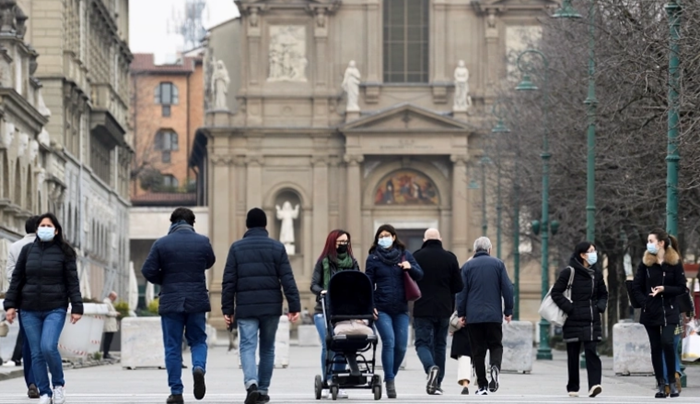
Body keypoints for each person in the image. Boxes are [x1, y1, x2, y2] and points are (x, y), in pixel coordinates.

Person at [222, 208, 301, 404]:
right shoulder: (277, 247)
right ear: (266, 225)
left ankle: (252, 384)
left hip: (246, 307)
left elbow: (228, 281)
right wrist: (294, 305)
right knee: (267, 348)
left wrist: (227, 310)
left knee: (247, 346)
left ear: (247, 225)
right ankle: (263, 389)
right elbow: (287, 278)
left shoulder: (236, 248)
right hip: (271, 307)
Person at [3, 213, 83, 404]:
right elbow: (17, 280)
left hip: (55, 308)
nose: (44, 229)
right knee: (36, 352)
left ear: (56, 230)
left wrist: (77, 306)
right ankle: (44, 392)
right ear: (37, 229)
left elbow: (72, 281)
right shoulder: (27, 251)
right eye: (42, 225)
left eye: (49, 226)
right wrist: (10, 305)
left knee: (48, 346)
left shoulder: (66, 253)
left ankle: (58, 385)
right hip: (29, 309)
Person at [141, 207, 215, 404]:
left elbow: (147, 270)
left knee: (172, 347)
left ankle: (176, 392)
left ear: (172, 221)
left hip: (171, 301)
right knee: (198, 340)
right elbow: (210, 262)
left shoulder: (161, 243)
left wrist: (164, 278)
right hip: (196, 300)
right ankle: (198, 367)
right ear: (192, 223)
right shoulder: (203, 241)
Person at [365, 224, 423, 399]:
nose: (384, 238)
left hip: (401, 309)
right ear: (377, 239)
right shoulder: (373, 258)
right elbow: (367, 283)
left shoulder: (406, 255)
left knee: (401, 346)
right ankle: (390, 381)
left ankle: (392, 375)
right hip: (381, 308)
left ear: (394, 237)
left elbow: (420, 275)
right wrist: (370, 305)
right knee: (389, 342)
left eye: (387, 235)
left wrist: (409, 267)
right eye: (380, 236)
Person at [631, 228, 686, 398]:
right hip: (651, 311)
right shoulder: (646, 264)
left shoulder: (675, 263)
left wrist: (664, 289)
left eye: (651, 241)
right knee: (655, 347)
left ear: (661, 243)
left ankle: (672, 382)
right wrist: (645, 302)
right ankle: (661, 384)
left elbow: (681, 287)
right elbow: (636, 286)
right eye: (648, 241)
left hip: (670, 310)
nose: (648, 244)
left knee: (667, 342)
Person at [456, 236, 513, 396]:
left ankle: (482, 386)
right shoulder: (498, 264)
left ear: (474, 251)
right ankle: (495, 367)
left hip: (473, 317)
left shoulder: (467, 267)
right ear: (489, 250)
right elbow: (508, 288)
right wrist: (508, 311)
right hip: (494, 315)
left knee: (477, 351)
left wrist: (461, 313)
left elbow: (461, 292)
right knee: (496, 345)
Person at [551, 242, 608, 398]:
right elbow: (556, 293)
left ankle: (595, 384)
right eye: (591, 251)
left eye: (594, 250)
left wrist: (600, 307)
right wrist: (570, 308)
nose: (594, 253)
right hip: (573, 320)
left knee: (592, 352)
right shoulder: (569, 272)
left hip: (591, 319)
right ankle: (573, 387)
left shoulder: (596, 274)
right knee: (573, 354)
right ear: (582, 255)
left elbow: (603, 294)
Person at [411, 228, 463, 395]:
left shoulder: (416, 257)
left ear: (424, 239)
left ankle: (430, 368)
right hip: (444, 309)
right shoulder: (450, 257)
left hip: (422, 308)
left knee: (422, 344)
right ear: (440, 238)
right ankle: (438, 383)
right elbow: (458, 286)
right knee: (440, 346)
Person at [310, 229, 360, 399]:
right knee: (328, 343)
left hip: (344, 311)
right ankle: (327, 380)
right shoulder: (323, 262)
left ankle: (338, 381)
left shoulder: (352, 262)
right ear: (332, 243)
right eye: (340, 242)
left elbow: (358, 282)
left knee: (342, 344)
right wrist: (323, 291)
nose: (343, 245)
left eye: (346, 241)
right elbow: (313, 284)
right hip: (323, 310)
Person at [5, 215, 39, 399]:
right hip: (48, 302)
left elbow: (10, 275)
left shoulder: (14, 246)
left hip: (25, 300)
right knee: (46, 343)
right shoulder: (52, 247)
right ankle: (45, 381)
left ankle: (32, 381)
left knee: (28, 341)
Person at [102, 291, 120, 360]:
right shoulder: (106, 302)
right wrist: (116, 313)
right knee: (107, 339)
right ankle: (105, 353)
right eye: (115, 298)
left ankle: (107, 353)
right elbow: (107, 312)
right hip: (109, 324)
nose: (115, 299)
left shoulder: (108, 302)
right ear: (111, 296)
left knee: (109, 339)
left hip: (111, 324)